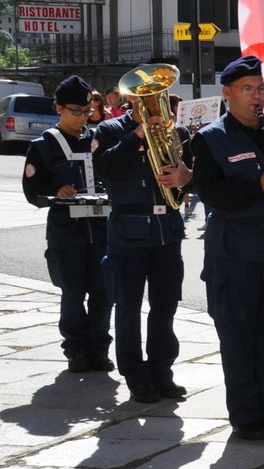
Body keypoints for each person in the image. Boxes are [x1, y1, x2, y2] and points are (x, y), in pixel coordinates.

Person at [189, 56, 264, 440]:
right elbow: (208, 192)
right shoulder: (210, 138)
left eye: (261, 89)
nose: (256, 96)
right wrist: (254, 186)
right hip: (236, 251)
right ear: (227, 94)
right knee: (239, 335)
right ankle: (245, 415)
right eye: (247, 89)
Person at [95, 67, 194, 404]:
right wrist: (137, 134)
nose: (152, 104)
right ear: (131, 101)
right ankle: (136, 375)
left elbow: (193, 173)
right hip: (129, 232)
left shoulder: (175, 130)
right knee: (128, 307)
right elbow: (103, 168)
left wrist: (184, 175)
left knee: (165, 306)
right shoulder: (110, 130)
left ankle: (161, 372)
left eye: (156, 98)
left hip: (167, 231)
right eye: (145, 99)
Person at [21, 75, 112, 373]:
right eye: (76, 110)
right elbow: (33, 192)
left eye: (88, 111)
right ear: (58, 107)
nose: (83, 117)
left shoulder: (100, 139)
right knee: (72, 291)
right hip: (66, 232)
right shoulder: (43, 146)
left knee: (103, 291)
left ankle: (99, 349)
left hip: (101, 230)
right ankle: (76, 351)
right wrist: (55, 194)